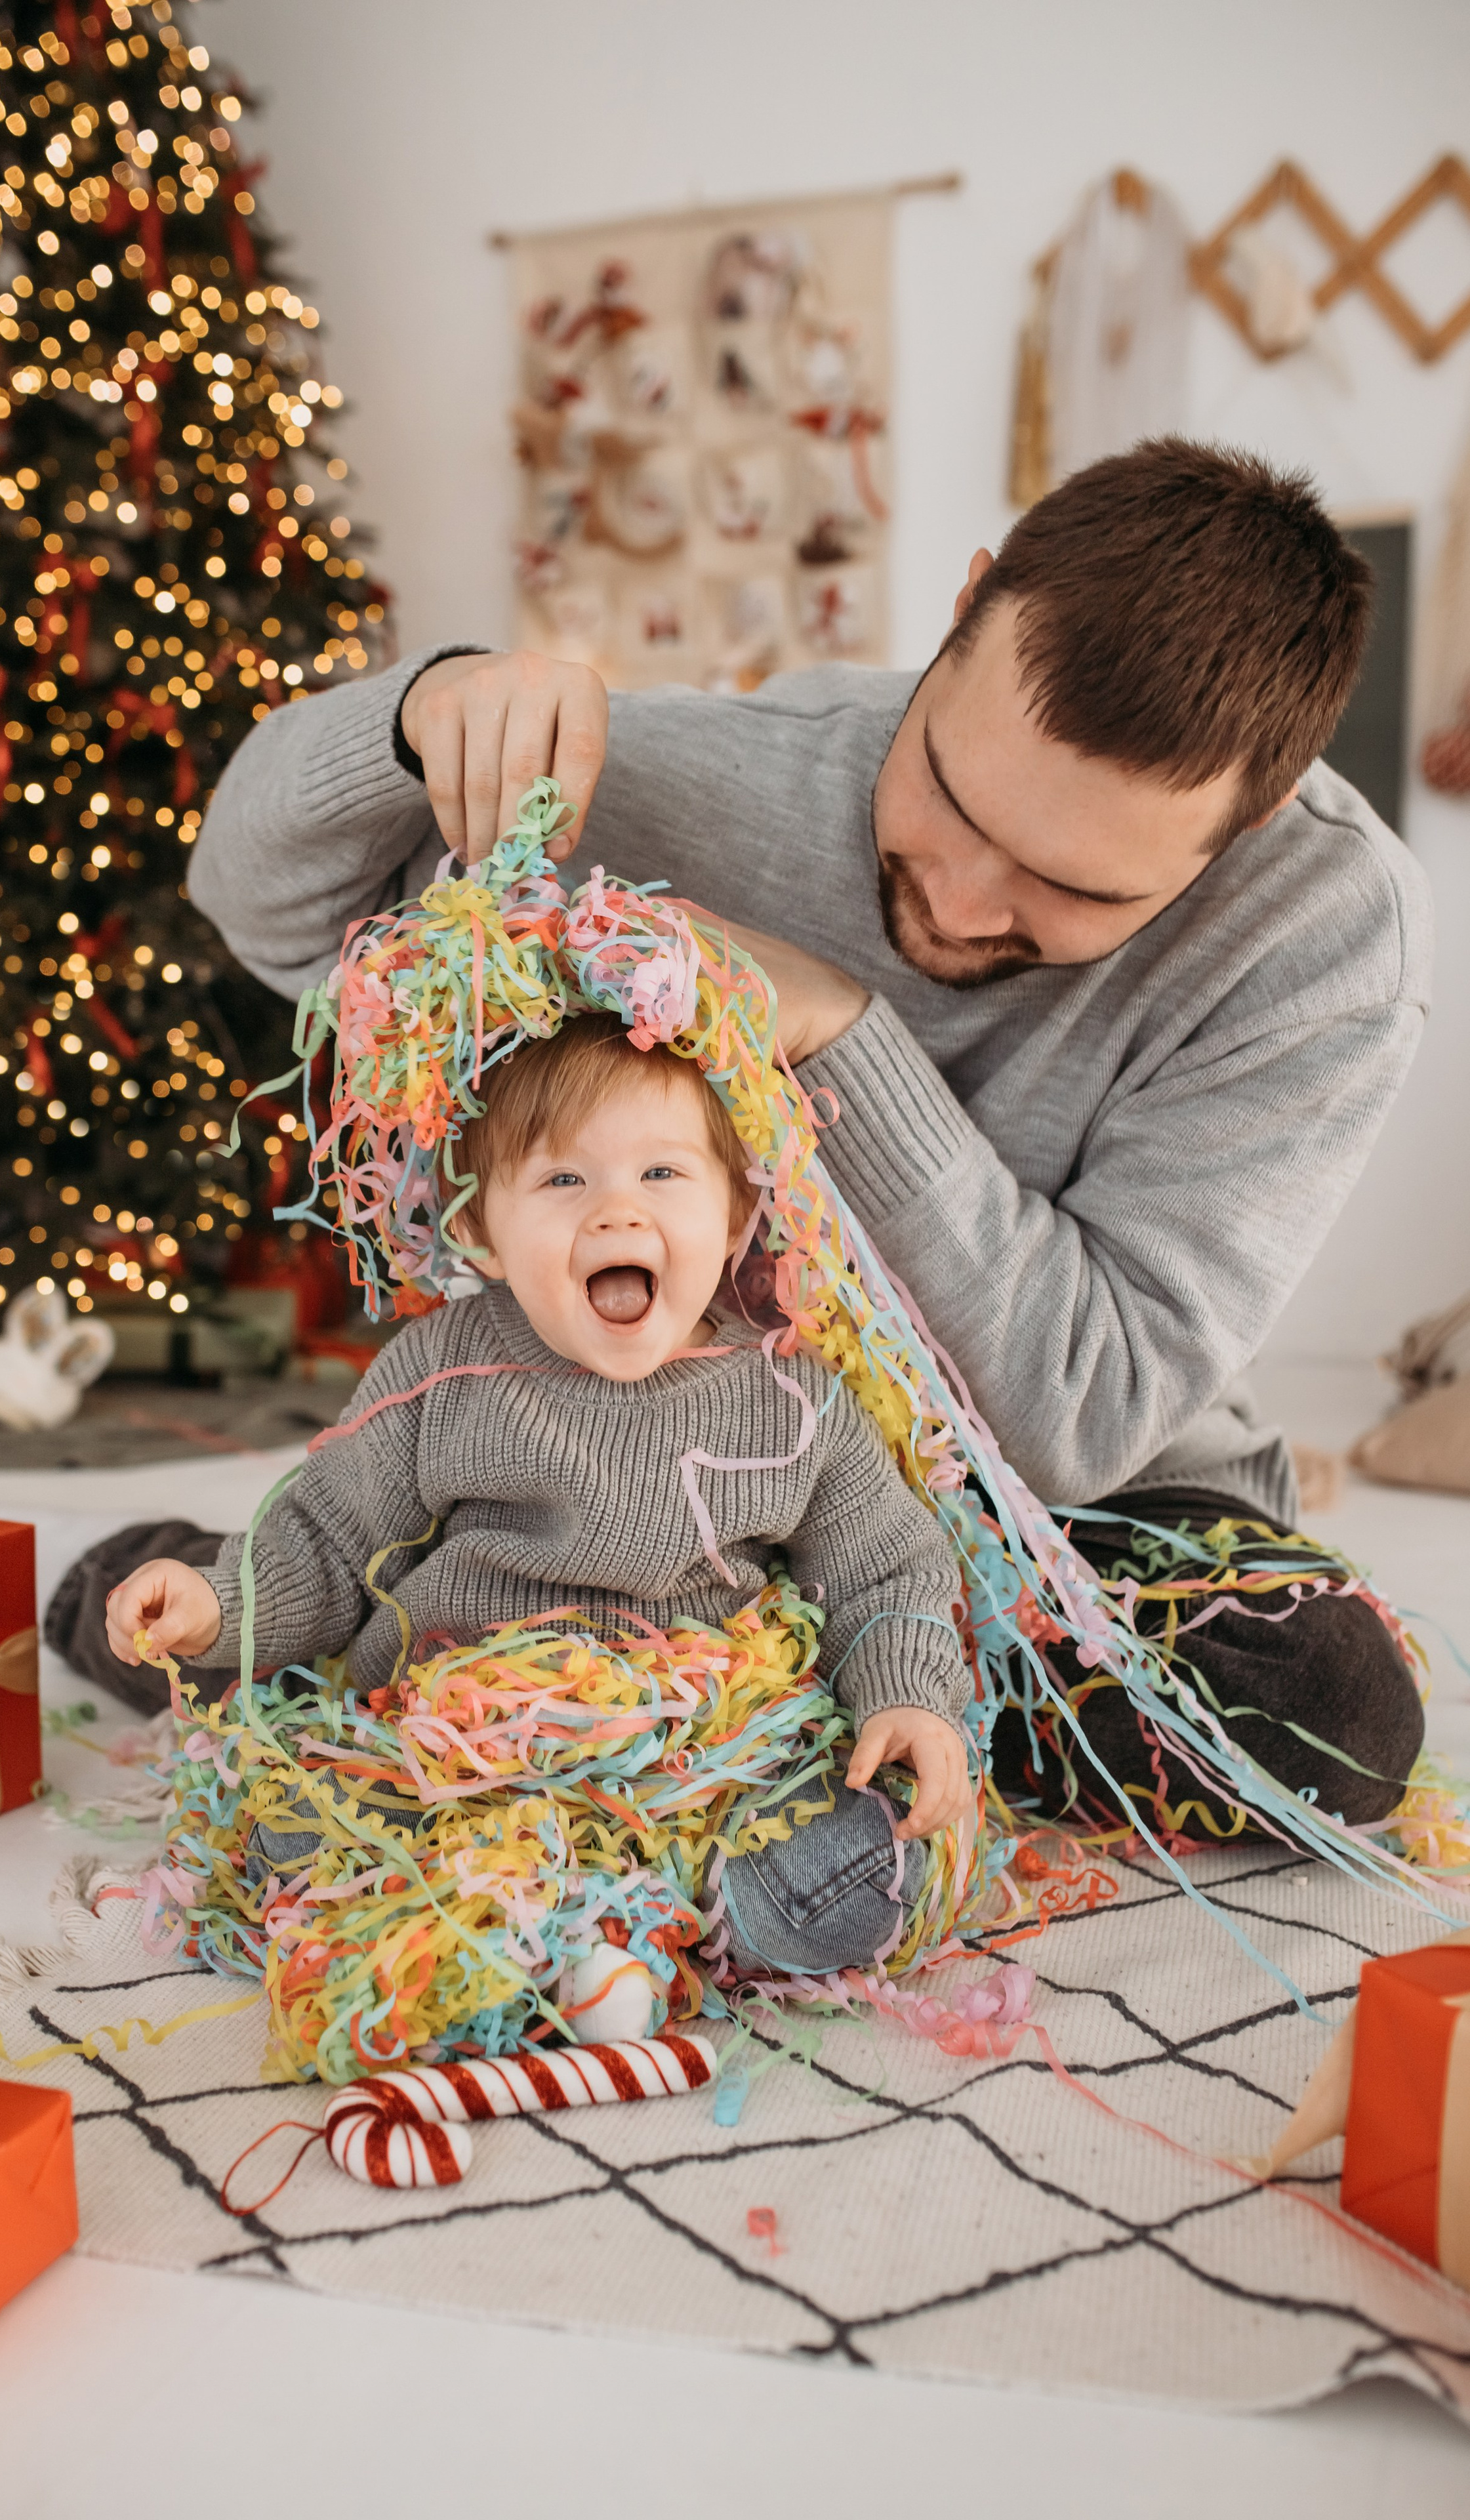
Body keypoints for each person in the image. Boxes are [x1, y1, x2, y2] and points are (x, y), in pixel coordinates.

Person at [186, 437, 1433, 1837]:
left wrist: (839, 1028)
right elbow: (263, 910)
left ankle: (732, 1701)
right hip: (636, 1439)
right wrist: (414, 713)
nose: (961, 903)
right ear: (959, 611)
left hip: (1063, 1511)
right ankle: (303, 1609)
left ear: (1248, 817)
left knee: (1325, 1709)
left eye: (1069, 886)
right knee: (447, 1526)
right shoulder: (674, 778)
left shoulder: (1326, 932)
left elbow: (1073, 1413)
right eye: (951, 801)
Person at [104, 1015, 970, 1979]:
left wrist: (906, 1695)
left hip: (695, 1758)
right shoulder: (443, 1370)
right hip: (462, 1752)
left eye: (663, 1174)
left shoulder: (791, 1397)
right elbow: (328, 1534)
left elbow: (884, 1566)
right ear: (480, 1231)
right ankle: (540, 1930)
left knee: (856, 1861)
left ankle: (664, 1919)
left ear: (735, 1215)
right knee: (303, 1838)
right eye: (563, 1180)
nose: (616, 1214)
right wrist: (217, 1603)